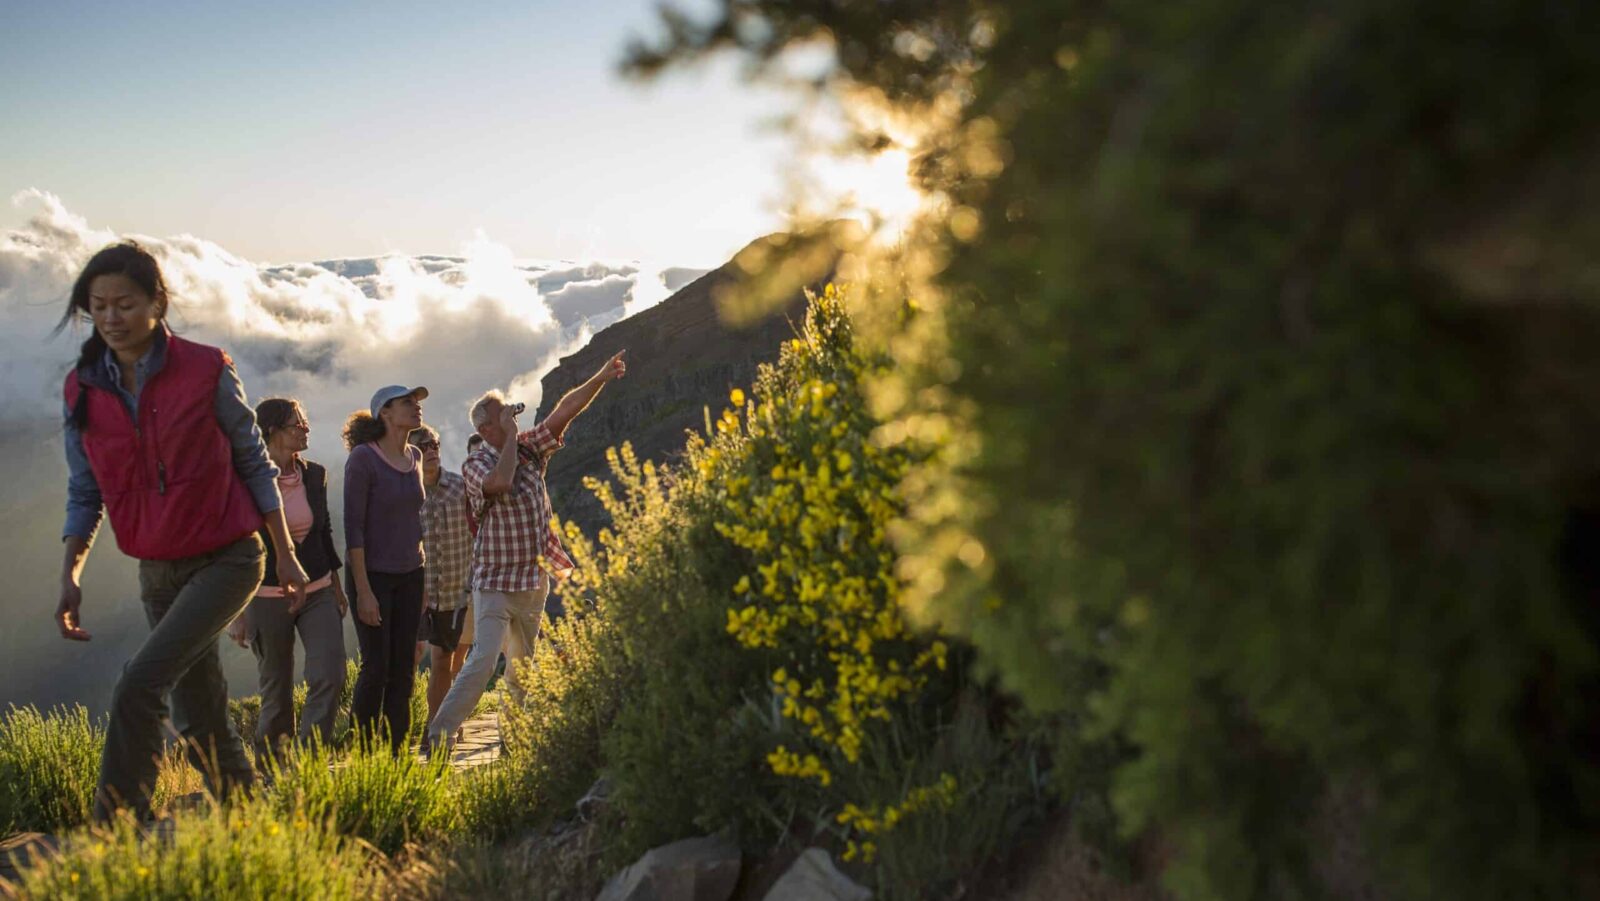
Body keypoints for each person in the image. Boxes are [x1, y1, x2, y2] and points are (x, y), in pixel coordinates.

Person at [55, 241, 309, 822]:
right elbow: (84, 489)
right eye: (99, 305)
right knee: (200, 716)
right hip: (157, 571)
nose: (111, 317)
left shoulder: (205, 369)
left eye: (125, 303)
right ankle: (257, 826)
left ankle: (116, 831)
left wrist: (286, 555)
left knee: (138, 684)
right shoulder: (83, 388)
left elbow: (253, 461)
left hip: (228, 560)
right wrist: (70, 575)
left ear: (157, 303)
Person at [426, 350, 627, 753]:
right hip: (495, 584)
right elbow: (500, 482)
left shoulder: (529, 446)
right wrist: (511, 438)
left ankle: (513, 742)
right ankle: (439, 735)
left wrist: (601, 376)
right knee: (482, 661)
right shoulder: (475, 463)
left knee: (522, 668)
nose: (512, 420)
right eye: (502, 417)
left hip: (533, 580)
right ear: (485, 429)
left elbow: (563, 412)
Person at [226, 398, 348, 766]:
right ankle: (273, 767)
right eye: (298, 424)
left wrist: (337, 586)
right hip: (264, 594)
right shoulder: (246, 479)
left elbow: (323, 531)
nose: (306, 429)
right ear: (274, 430)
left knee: (330, 673)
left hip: (318, 589)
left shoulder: (315, 474)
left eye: (305, 422)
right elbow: (234, 543)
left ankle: (308, 761)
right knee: (276, 690)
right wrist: (237, 610)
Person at [343, 385, 427, 755]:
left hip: (412, 573)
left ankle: (396, 753)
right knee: (376, 668)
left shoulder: (416, 456)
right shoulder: (363, 458)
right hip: (373, 575)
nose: (416, 407)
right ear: (385, 414)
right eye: (407, 403)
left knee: (404, 668)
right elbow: (353, 528)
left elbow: (415, 522)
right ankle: (362, 754)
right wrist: (363, 591)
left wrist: (424, 579)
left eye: (417, 402)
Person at [409, 425, 475, 754]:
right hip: (419, 592)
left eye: (434, 443)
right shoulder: (407, 493)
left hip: (457, 590)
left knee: (447, 659)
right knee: (428, 660)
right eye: (423, 445)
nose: (431, 449)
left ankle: (439, 729)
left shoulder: (460, 488)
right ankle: (438, 727)